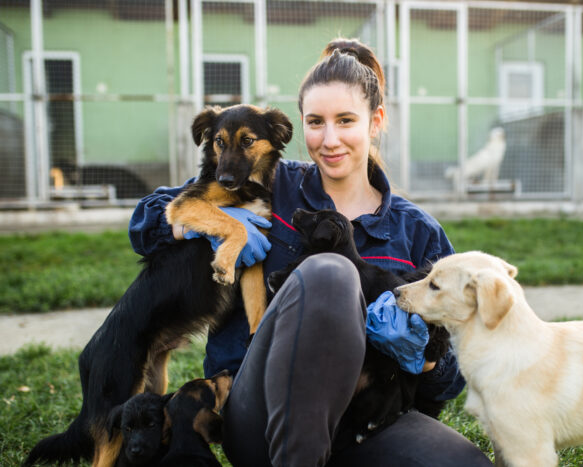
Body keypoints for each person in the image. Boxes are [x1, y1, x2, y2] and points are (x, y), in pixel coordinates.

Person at [129, 38, 491, 467]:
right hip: (260, 415)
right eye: (316, 122)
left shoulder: (417, 233)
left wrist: (423, 357)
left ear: (375, 121)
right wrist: (216, 224)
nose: (330, 139)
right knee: (331, 274)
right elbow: (146, 222)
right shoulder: (265, 186)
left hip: (365, 422)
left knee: (464, 464)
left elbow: (449, 377)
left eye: (345, 120)